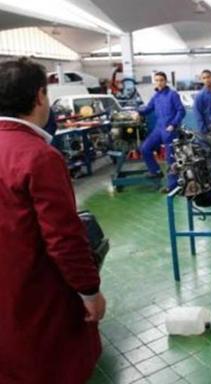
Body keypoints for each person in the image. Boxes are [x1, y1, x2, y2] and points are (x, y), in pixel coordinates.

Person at [0, 58, 106, 383]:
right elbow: (63, 239)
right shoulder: (39, 157)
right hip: (38, 298)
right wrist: (90, 292)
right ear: (40, 97)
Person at [138, 71, 186, 192]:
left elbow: (181, 111)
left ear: (165, 81)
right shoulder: (156, 96)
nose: (159, 82)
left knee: (170, 159)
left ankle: (173, 186)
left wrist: (173, 124)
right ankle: (155, 171)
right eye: (157, 80)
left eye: (161, 80)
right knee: (145, 148)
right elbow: (148, 109)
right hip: (158, 129)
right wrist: (136, 111)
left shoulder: (173, 94)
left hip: (170, 129)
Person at [193, 69, 211, 134]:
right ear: (202, 80)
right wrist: (203, 130)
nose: (206, 80)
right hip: (207, 131)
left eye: (208, 77)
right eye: (204, 78)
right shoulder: (199, 96)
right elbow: (198, 114)